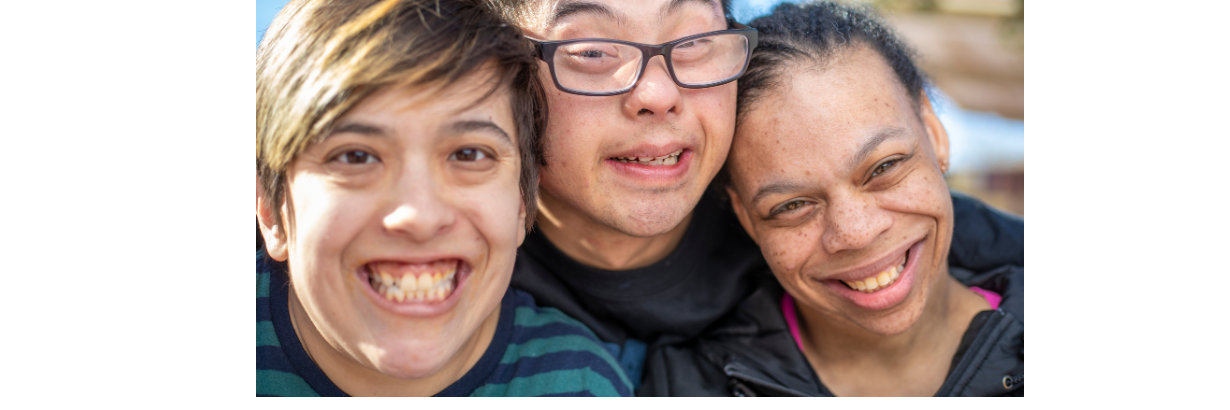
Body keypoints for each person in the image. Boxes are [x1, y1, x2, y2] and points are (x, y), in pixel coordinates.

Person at [488, 0, 1024, 394]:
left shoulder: (981, 252)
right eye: (593, 50)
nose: (657, 93)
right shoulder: (461, 268)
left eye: (693, 41)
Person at [254, 0, 632, 396]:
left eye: (469, 155)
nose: (420, 216)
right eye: (355, 157)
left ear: (524, 200)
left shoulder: (580, 385)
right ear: (270, 210)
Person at [644, 2, 1023, 396]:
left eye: (883, 168)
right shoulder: (690, 386)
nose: (855, 233)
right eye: (792, 206)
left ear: (934, 131)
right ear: (744, 215)